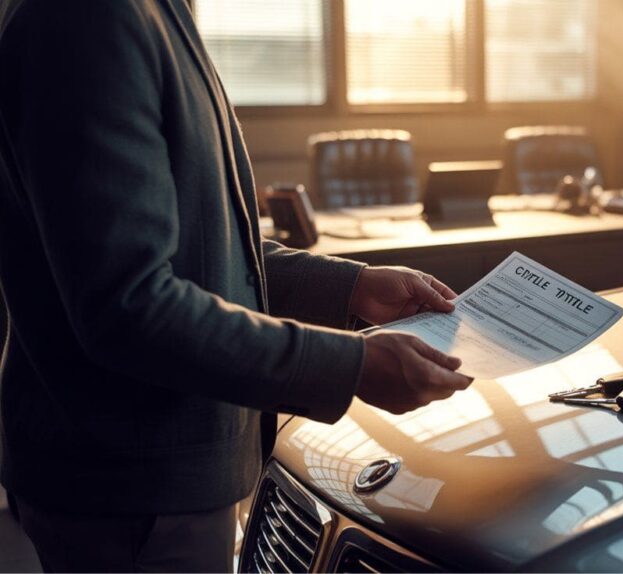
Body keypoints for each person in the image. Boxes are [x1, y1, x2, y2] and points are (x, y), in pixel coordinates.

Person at [0, 0, 474, 571]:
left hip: (154, 478)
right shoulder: (90, 18)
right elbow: (130, 306)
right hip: (131, 490)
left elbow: (202, 251)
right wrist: (352, 366)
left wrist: (351, 287)